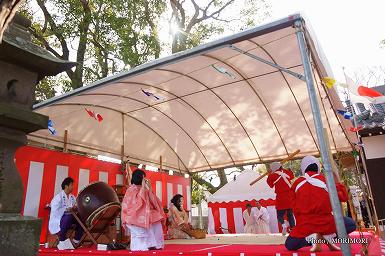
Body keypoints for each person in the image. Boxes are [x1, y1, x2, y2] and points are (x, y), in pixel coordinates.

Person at [285, 156, 357, 252]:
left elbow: (293, 206)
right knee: (351, 224)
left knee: (290, 245)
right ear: (318, 167)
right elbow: (344, 197)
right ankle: (327, 237)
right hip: (326, 223)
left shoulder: (296, 184)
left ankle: (313, 237)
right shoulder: (325, 180)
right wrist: (337, 183)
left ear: (303, 168)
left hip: (305, 225)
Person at [121, 169, 166, 251]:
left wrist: (150, 188)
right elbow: (138, 203)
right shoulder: (131, 189)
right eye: (143, 178)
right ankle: (143, 245)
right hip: (133, 215)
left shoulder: (144, 189)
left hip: (145, 213)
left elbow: (154, 201)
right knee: (147, 218)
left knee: (156, 216)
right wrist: (143, 188)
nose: (145, 179)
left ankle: (155, 244)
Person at [48, 177, 83, 250]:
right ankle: (62, 239)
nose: (73, 187)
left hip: (71, 217)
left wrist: (75, 208)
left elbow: (76, 206)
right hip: (60, 218)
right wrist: (65, 210)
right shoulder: (58, 197)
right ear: (66, 186)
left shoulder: (72, 197)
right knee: (68, 216)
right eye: (71, 185)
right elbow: (54, 209)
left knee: (81, 218)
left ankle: (76, 240)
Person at [266, 162, 295, 235]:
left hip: (280, 197)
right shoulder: (287, 172)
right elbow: (292, 176)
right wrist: (289, 170)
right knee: (290, 214)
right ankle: (293, 229)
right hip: (289, 196)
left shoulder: (272, 176)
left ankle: (283, 225)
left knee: (279, 215)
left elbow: (270, 185)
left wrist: (269, 174)